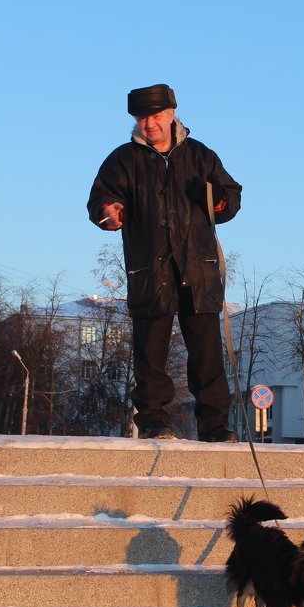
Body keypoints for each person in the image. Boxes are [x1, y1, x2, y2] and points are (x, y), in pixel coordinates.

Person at [87, 84, 242, 442]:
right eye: (142, 118)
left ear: (172, 114)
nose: (149, 124)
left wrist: (217, 199)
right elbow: (100, 202)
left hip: (198, 270)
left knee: (206, 355)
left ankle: (215, 426)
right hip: (149, 272)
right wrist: (108, 212)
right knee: (150, 355)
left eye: (155, 116)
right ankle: (154, 422)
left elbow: (231, 198)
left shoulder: (201, 155)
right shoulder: (122, 160)